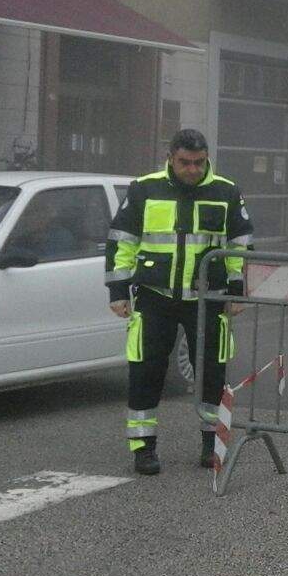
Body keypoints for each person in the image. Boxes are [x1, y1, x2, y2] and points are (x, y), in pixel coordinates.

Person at [105, 130, 253, 475]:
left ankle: (211, 445)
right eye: (185, 162)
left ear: (207, 158)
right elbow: (122, 241)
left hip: (208, 297)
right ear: (170, 157)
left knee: (212, 372)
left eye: (199, 163)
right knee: (145, 371)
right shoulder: (144, 189)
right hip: (155, 296)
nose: (192, 170)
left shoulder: (227, 192)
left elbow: (240, 246)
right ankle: (143, 448)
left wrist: (236, 290)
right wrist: (118, 291)